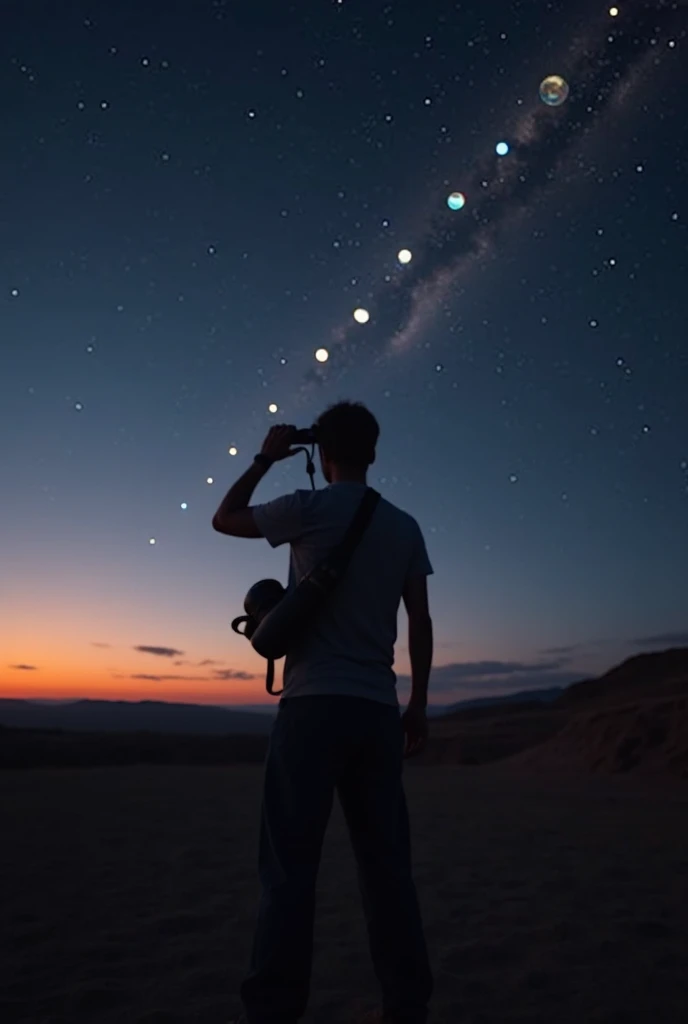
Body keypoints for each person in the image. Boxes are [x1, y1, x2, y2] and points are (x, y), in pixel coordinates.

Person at [212, 400, 434, 1024]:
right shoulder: (404, 525)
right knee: (388, 872)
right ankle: (406, 1006)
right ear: (374, 452)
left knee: (288, 874)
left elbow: (223, 519)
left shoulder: (306, 509)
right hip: (375, 713)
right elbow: (419, 620)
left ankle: (275, 1013)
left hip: (311, 710)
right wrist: (415, 705)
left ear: (321, 453)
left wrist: (263, 459)